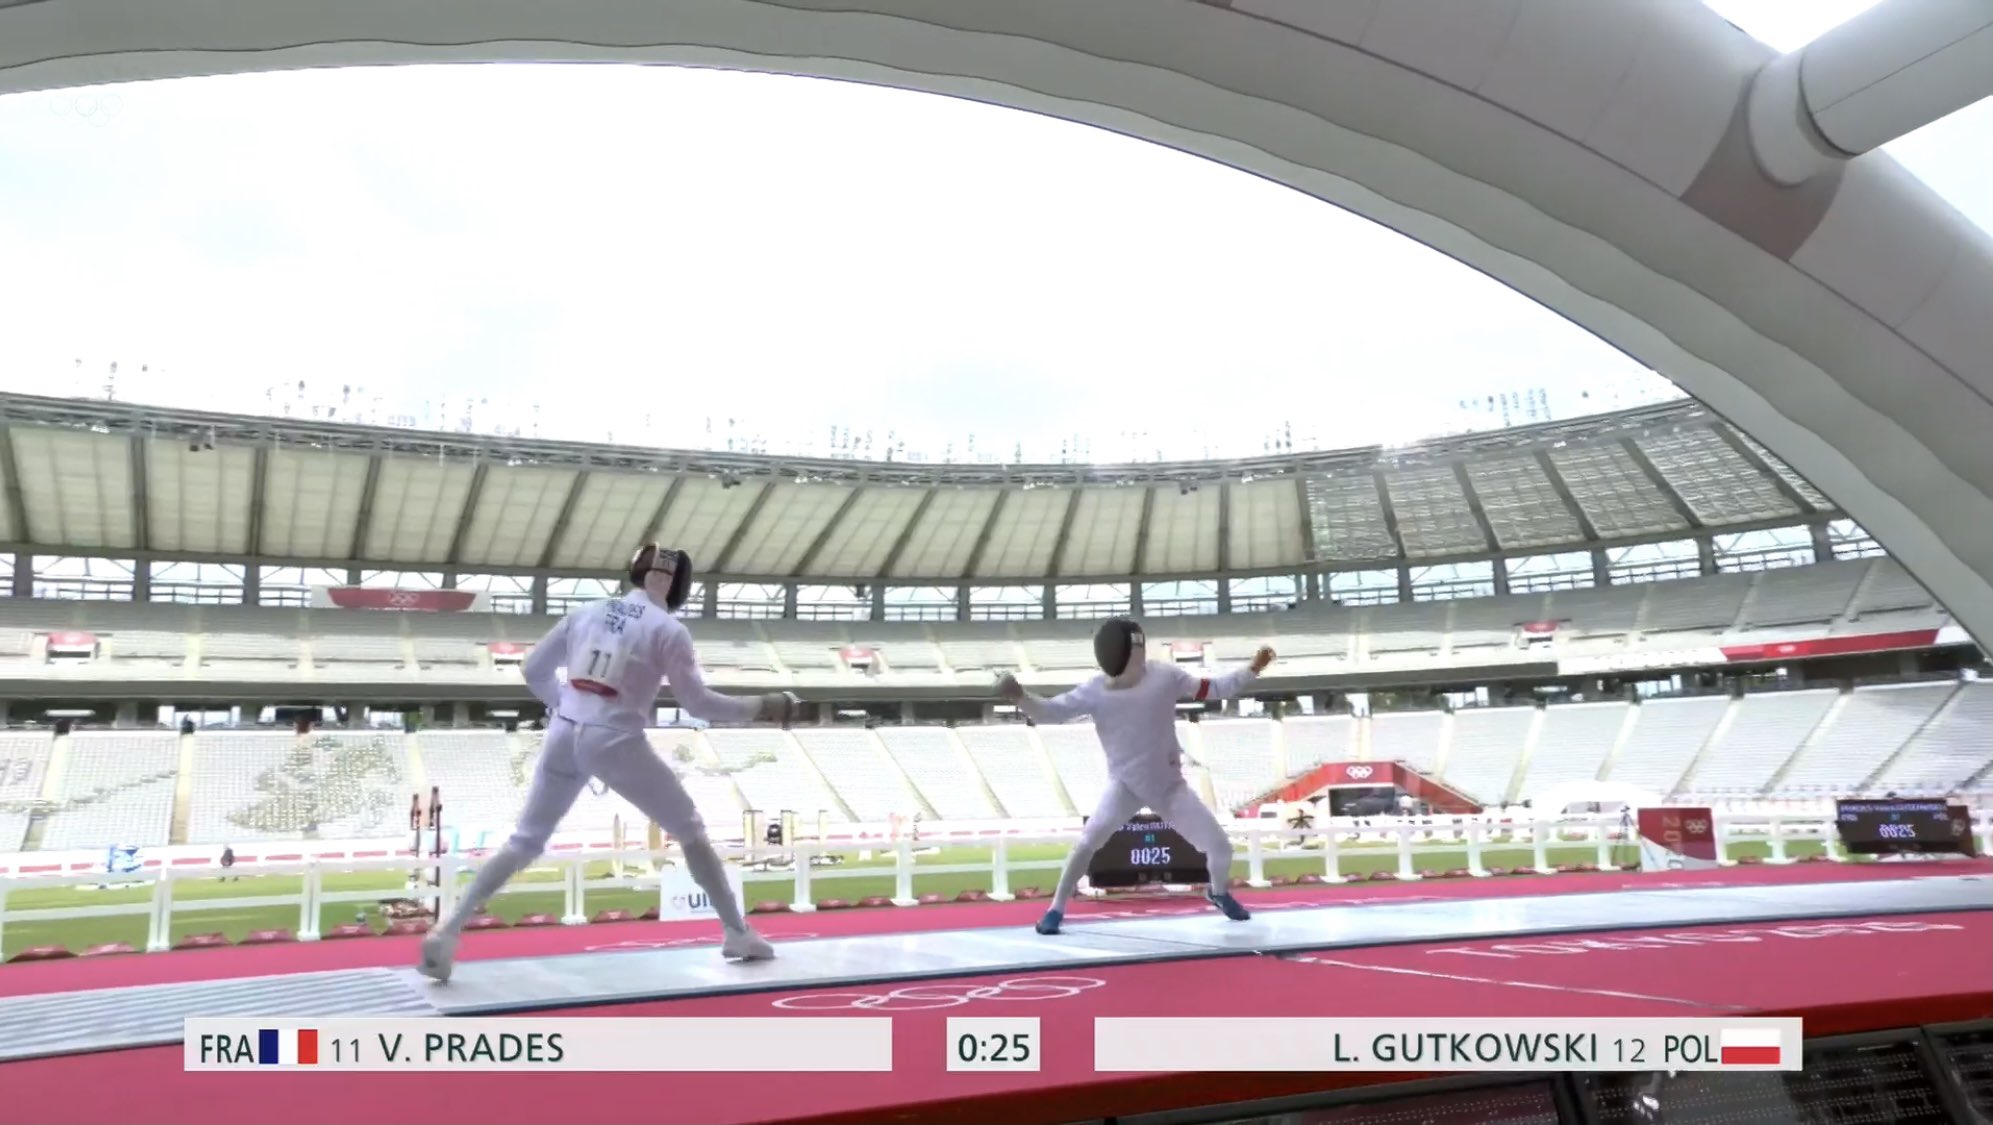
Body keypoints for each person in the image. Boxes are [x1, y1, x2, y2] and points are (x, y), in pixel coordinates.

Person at [418, 543, 802, 982]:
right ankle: (737, 932)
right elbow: (699, 703)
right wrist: (765, 705)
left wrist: (567, 708)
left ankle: (446, 931)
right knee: (690, 829)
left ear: (637, 571)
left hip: (563, 732)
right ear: (679, 585)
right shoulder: (669, 630)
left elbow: (532, 670)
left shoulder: (586, 612)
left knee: (524, 842)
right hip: (616, 739)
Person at [998, 618, 1275, 935]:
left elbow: (1215, 689)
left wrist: (1253, 668)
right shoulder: (1093, 691)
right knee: (1087, 843)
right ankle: (1055, 909)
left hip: (1169, 787)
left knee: (1221, 848)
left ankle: (1219, 893)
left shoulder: (1166, 676)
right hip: (1124, 786)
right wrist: (1019, 696)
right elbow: (1050, 712)